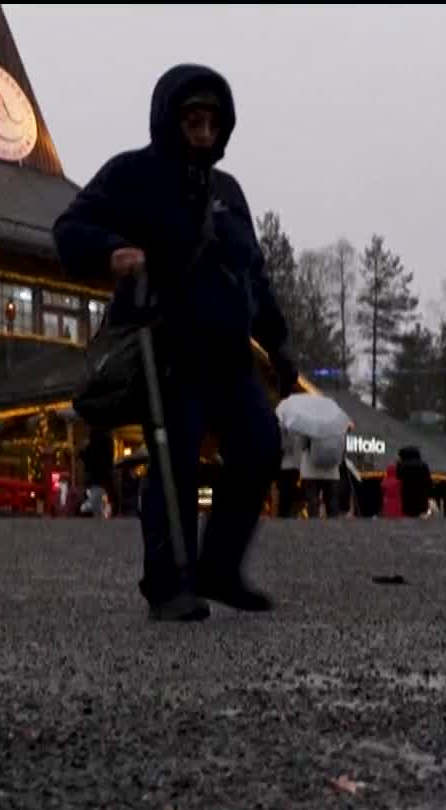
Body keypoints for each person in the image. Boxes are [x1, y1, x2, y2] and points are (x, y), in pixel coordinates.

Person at [53, 63, 297, 622]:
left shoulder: (230, 193)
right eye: (193, 118)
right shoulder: (133, 174)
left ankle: (218, 569)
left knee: (261, 447)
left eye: (213, 120)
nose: (204, 129)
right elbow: (70, 229)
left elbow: (253, 274)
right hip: (168, 350)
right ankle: (168, 585)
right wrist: (112, 250)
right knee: (173, 463)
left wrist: (279, 343)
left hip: (231, 356)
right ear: (171, 119)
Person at [298, 431, 344, 519]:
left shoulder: (308, 423)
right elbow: (342, 447)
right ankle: (334, 529)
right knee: (332, 502)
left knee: (313, 502)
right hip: (331, 469)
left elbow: (302, 446)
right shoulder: (336, 423)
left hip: (311, 469)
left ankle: (314, 528)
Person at [393, 446, 432, 519]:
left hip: (406, 497)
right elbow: (428, 482)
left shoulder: (401, 465)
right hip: (421, 497)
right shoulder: (423, 465)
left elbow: (397, 480)